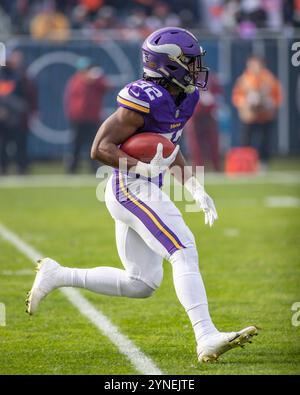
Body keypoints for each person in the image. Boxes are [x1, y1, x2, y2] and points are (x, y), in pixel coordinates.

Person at [26, 27, 258, 363]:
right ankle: (205, 335)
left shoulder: (186, 96)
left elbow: (167, 147)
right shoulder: (141, 99)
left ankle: (58, 274)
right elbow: (99, 148)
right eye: (191, 63)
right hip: (129, 187)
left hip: (146, 186)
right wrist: (142, 168)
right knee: (183, 248)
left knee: (142, 282)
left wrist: (193, 186)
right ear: (170, 65)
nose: (197, 69)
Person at [232, 55, 282, 167]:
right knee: (246, 140)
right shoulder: (244, 79)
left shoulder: (269, 79)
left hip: (265, 115)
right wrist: (245, 102)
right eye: (251, 64)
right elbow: (236, 96)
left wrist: (270, 102)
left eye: (256, 64)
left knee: (264, 140)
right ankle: (246, 163)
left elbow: (277, 96)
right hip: (249, 116)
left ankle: (263, 162)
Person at [64, 57, 111, 173]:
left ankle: (94, 168)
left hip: (92, 118)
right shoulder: (75, 81)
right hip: (78, 119)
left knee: (93, 144)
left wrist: (98, 78)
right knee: (76, 145)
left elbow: (107, 87)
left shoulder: (96, 81)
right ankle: (72, 169)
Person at [0, 50, 37, 175]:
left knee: (20, 143)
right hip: (3, 117)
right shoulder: (4, 76)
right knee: (3, 144)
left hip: (17, 117)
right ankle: (3, 167)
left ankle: (22, 167)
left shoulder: (21, 76)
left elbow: (27, 96)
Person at [185, 72, 222, 171]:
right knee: (195, 144)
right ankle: (198, 167)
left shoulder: (211, 79)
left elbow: (218, 95)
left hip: (208, 115)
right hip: (194, 115)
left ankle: (216, 166)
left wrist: (213, 103)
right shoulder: (186, 78)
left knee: (213, 142)